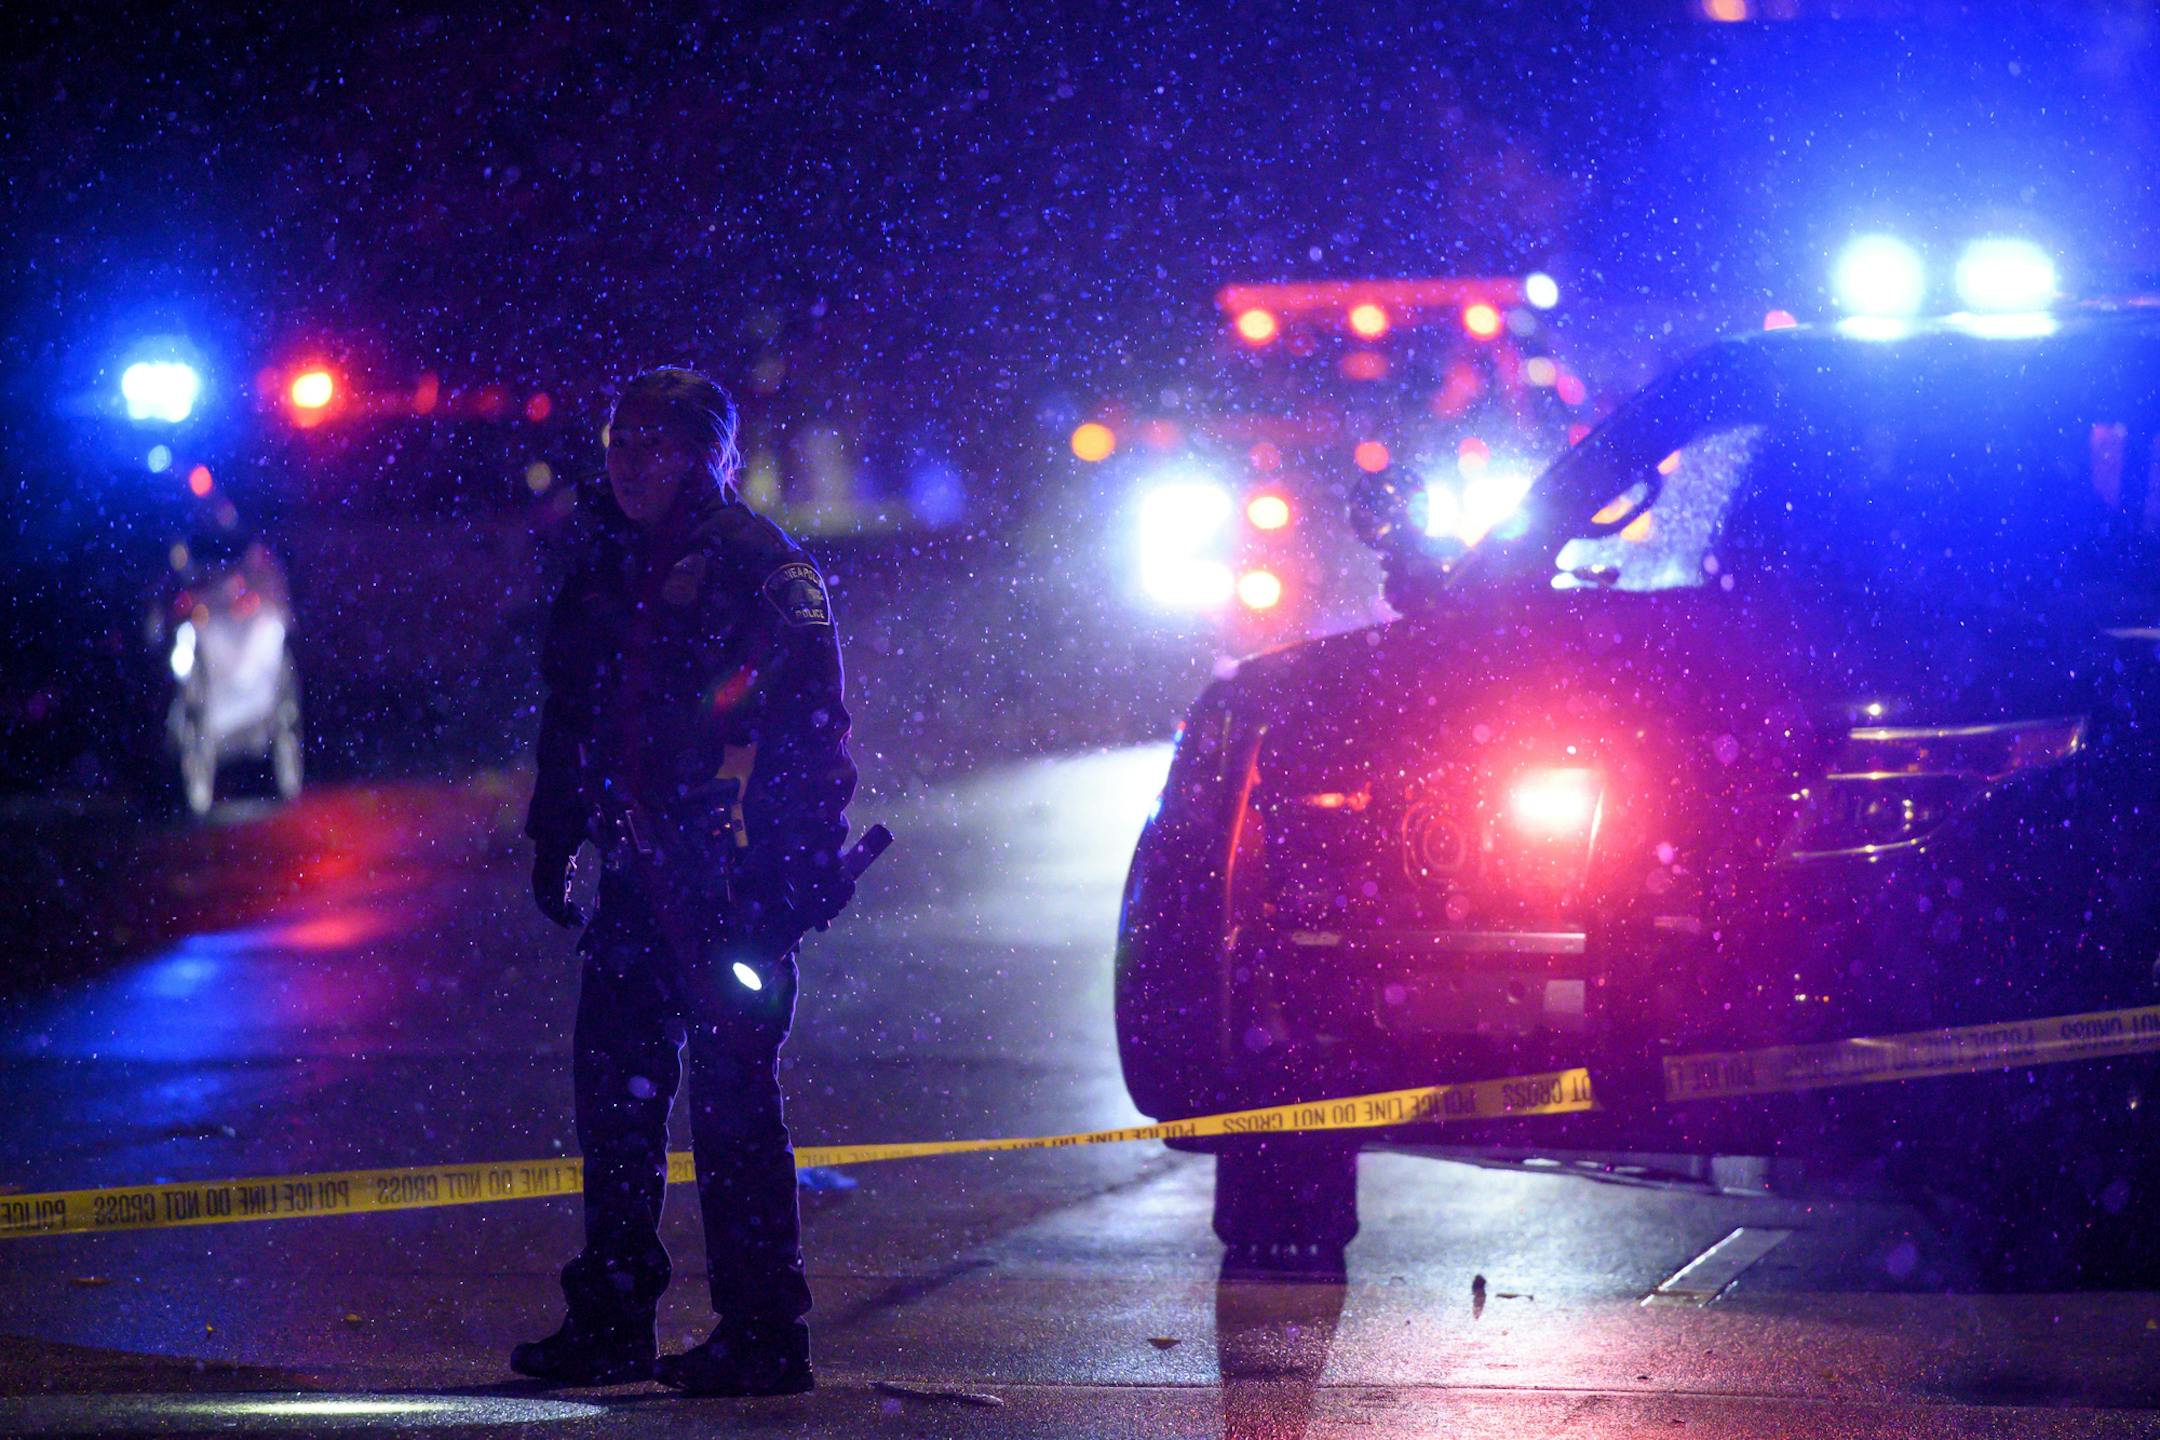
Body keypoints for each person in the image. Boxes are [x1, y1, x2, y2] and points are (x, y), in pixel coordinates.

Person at [511, 368, 857, 1397]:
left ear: (711, 455)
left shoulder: (763, 572)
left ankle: (762, 1333)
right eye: (622, 443)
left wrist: (787, 879)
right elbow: (572, 713)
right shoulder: (604, 561)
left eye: (656, 445)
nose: (631, 462)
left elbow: (812, 737)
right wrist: (555, 833)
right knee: (615, 1106)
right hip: (634, 879)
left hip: (731, 885)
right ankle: (612, 1319)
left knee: (735, 1110)